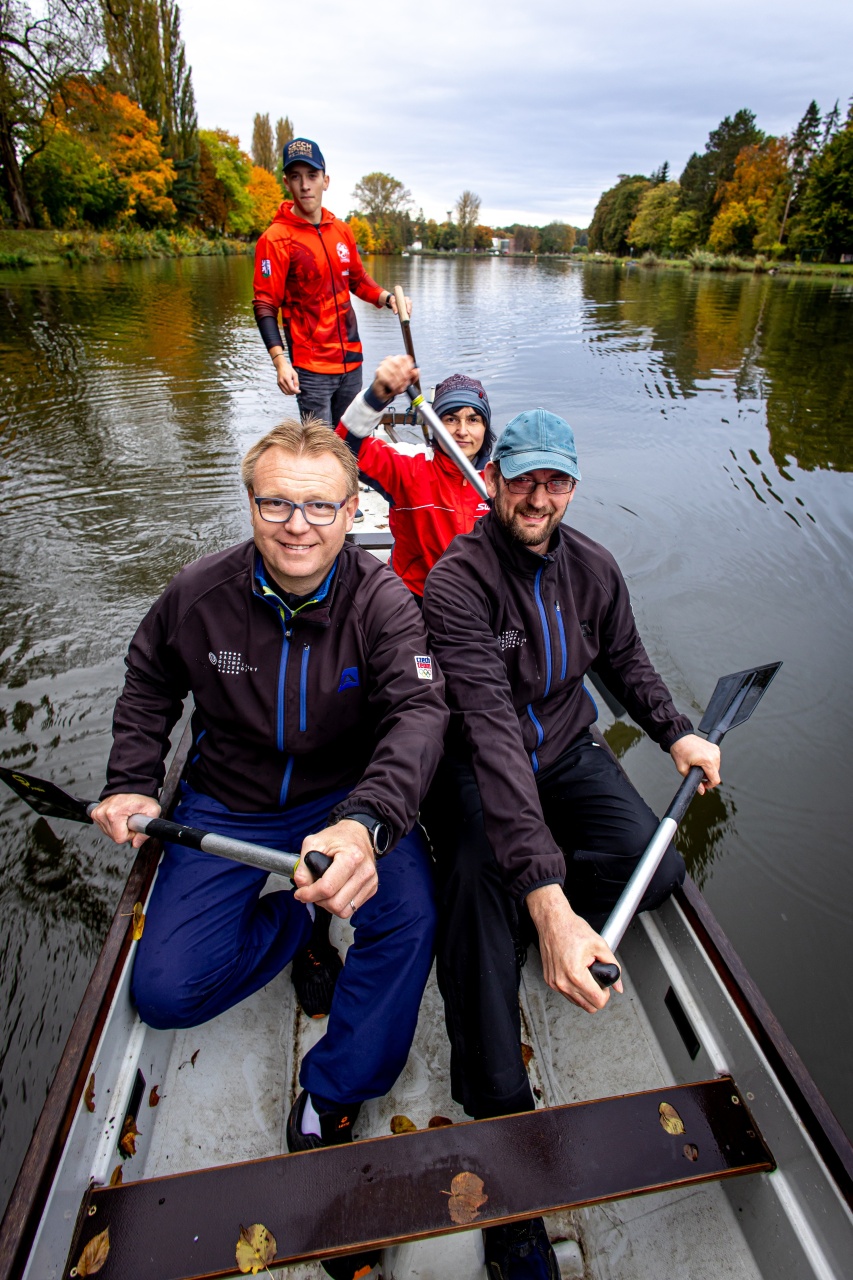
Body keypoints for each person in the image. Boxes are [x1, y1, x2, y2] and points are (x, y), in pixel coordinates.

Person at [92, 419, 448, 1280]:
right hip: (230, 799)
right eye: (277, 503)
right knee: (166, 993)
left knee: (409, 920)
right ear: (250, 504)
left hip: (344, 801)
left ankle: (332, 1093)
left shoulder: (382, 604)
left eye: (320, 506)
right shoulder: (197, 593)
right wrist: (133, 778)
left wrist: (365, 822)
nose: (298, 525)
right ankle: (295, 928)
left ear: (352, 511)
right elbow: (149, 680)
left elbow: (417, 714)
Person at [421, 409, 721, 1280]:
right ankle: (502, 1142)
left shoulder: (593, 567)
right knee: (476, 917)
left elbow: (625, 661)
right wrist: (546, 902)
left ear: (572, 487)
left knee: (656, 871)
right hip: (476, 765)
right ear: (493, 480)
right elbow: (486, 729)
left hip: (566, 750)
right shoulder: (456, 582)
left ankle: (531, 904)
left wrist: (674, 730)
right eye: (522, 478)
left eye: (555, 481)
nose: (538, 496)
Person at [252, 136, 411, 426]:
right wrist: (280, 362)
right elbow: (265, 305)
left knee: (353, 439)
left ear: (325, 181)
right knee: (322, 447)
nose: (305, 185)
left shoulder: (341, 231)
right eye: (296, 177)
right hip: (311, 368)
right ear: (287, 183)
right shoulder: (275, 239)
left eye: (312, 176)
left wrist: (388, 298)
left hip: (351, 361)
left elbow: (357, 280)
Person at [336, 354, 493, 598]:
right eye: (451, 419)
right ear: (435, 425)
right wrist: (377, 395)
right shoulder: (409, 467)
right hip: (414, 597)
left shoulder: (502, 479)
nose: (462, 431)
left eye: (473, 420)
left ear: (485, 427)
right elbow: (343, 447)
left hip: (478, 601)